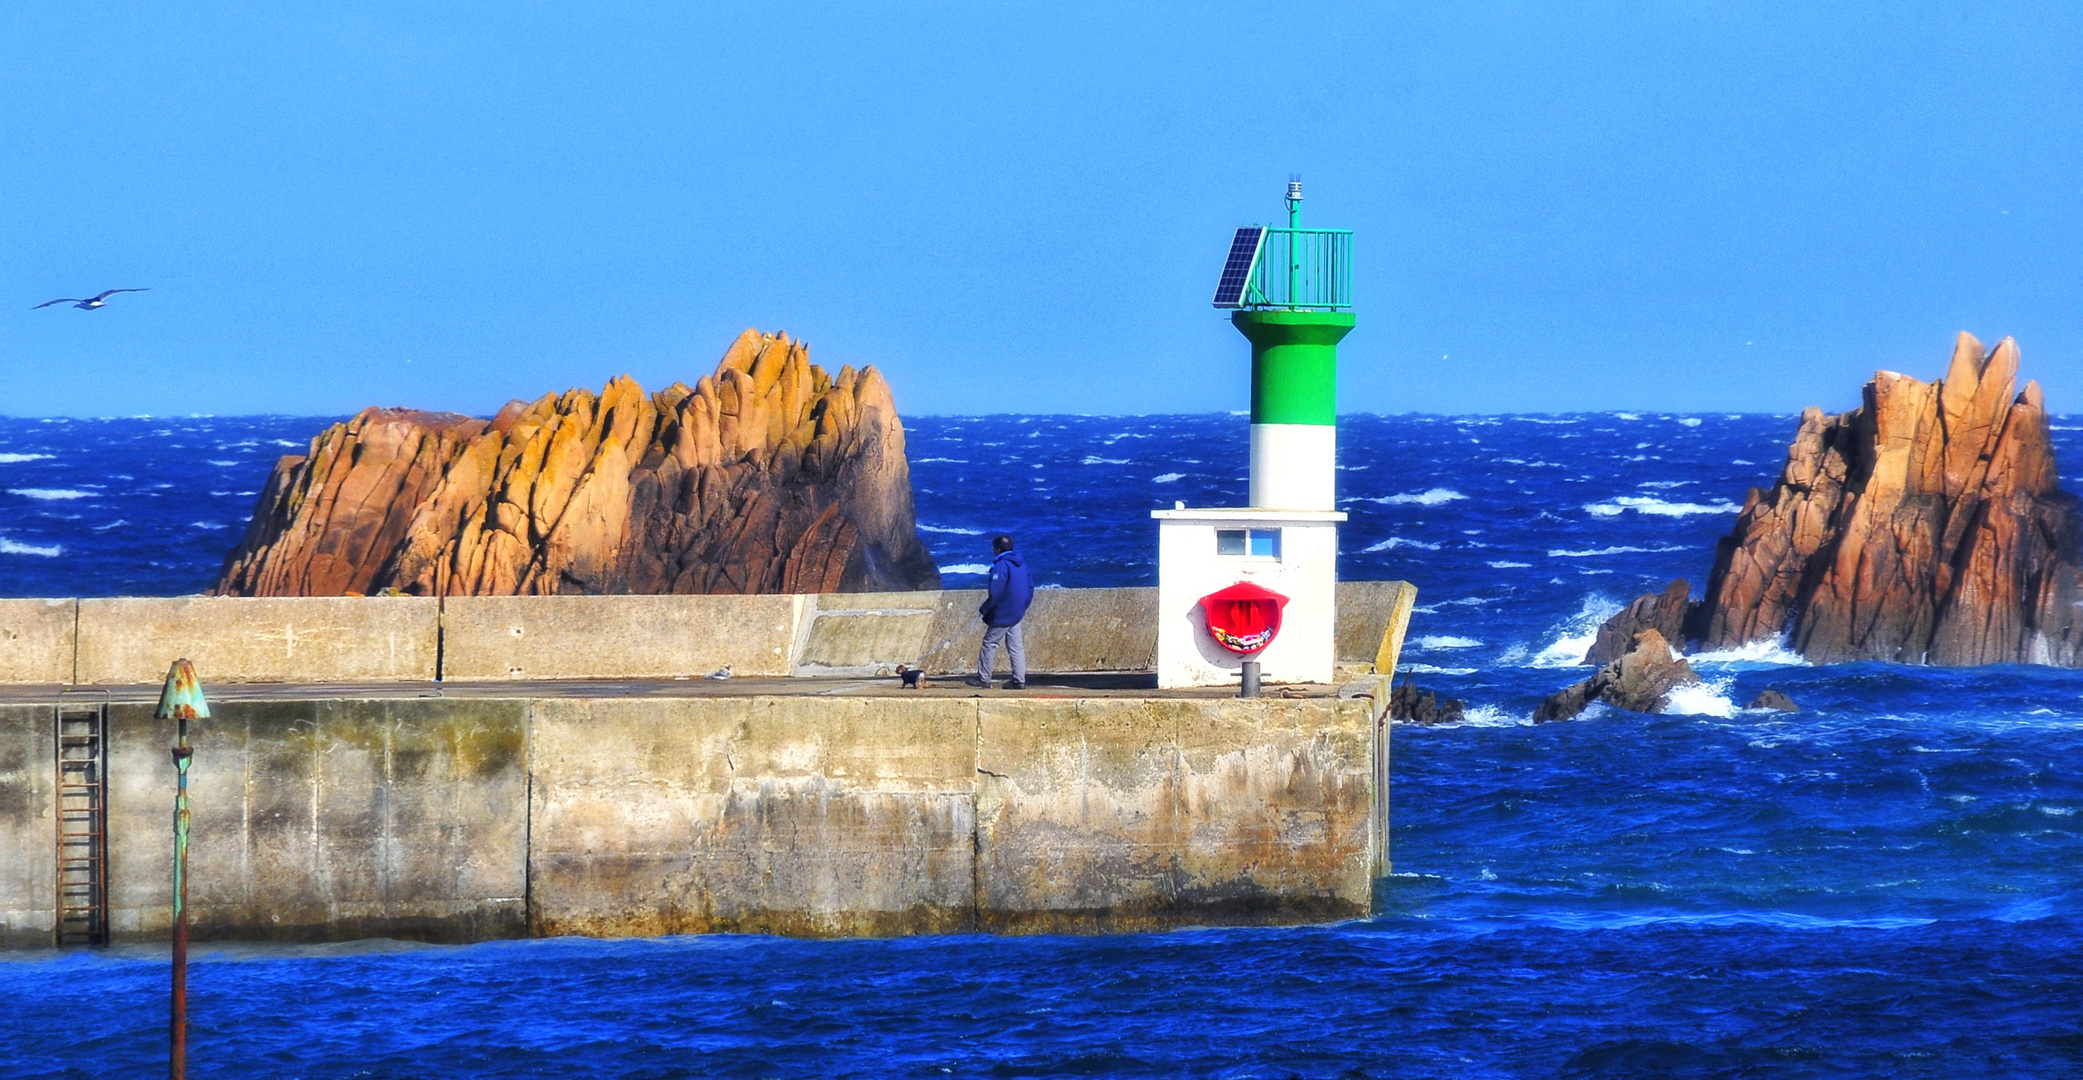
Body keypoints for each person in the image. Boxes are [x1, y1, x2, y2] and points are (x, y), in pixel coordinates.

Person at [971, 534, 1034, 690]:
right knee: (1016, 646)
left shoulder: (1001, 565)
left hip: (1004, 612)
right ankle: (1019, 680)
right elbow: (1030, 588)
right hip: (1017, 611)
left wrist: (986, 608)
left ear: (997, 549)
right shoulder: (1022, 565)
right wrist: (1022, 607)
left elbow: (996, 591)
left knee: (989, 643)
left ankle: (984, 678)